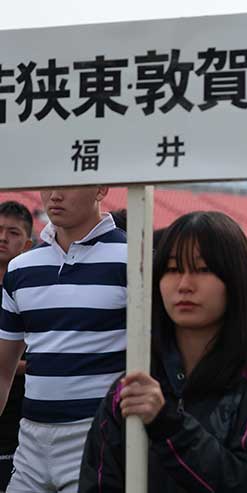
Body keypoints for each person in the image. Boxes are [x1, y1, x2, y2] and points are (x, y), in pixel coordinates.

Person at [79, 211, 247, 492]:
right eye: (172, 269)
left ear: (235, 280)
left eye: (203, 269)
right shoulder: (133, 387)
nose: (184, 285)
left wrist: (169, 426)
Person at [0, 187, 126, 493]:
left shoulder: (133, 259)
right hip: (29, 440)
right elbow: (2, 372)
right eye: (49, 185)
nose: (54, 195)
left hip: (97, 437)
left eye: (68, 185)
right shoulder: (20, 269)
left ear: (101, 188)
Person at [0, 202, 33, 493]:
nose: (2, 238)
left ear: (27, 244)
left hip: (20, 422)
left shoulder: (31, 291)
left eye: (12, 232)